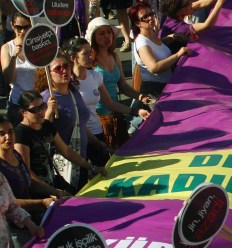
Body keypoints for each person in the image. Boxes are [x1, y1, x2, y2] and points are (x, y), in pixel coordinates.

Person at [66, 38, 149, 166]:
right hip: (78, 135)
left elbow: (109, 103)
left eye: (90, 51)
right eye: (85, 53)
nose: (90, 56)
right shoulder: (67, 83)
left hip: (97, 131)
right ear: (73, 58)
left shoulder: (95, 76)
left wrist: (136, 111)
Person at [36, 56, 108, 190]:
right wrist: (48, 112)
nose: (64, 70)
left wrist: (97, 143)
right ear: (48, 74)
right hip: (64, 164)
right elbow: (41, 132)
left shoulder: (73, 91)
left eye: (66, 66)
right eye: (58, 69)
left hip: (82, 158)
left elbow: (79, 123)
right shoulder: (46, 98)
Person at [14, 91, 105, 195]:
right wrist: (53, 191)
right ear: (23, 112)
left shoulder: (47, 125)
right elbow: (27, 171)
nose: (41, 112)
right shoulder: (21, 133)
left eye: (42, 106)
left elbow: (66, 151)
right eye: (35, 110)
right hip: (38, 192)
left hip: (53, 183)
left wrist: (92, 168)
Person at [87, 18, 150, 150]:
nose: (107, 36)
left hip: (117, 115)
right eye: (102, 33)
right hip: (100, 119)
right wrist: (135, 111)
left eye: (109, 32)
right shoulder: (89, 62)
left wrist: (140, 97)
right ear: (93, 37)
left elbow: (123, 86)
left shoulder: (115, 56)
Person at [129, 1, 190, 96]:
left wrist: (169, 37)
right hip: (154, 91)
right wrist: (178, 55)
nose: (150, 18)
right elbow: (154, 67)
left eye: (150, 14)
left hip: (165, 86)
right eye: (145, 17)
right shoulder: (142, 43)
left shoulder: (152, 33)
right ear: (138, 23)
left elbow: (156, 47)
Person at [160, 0, 231, 39]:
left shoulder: (173, 13)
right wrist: (220, 2)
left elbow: (200, 3)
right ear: (178, 12)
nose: (191, 3)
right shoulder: (179, 28)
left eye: (188, 1)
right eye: (187, 3)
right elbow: (207, 25)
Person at [1, 12, 34, 125]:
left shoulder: (38, 46)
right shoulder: (7, 48)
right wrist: (14, 56)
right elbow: (9, 78)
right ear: (12, 25)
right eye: (19, 27)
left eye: (26, 27)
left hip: (38, 103)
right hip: (17, 104)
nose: (23, 31)